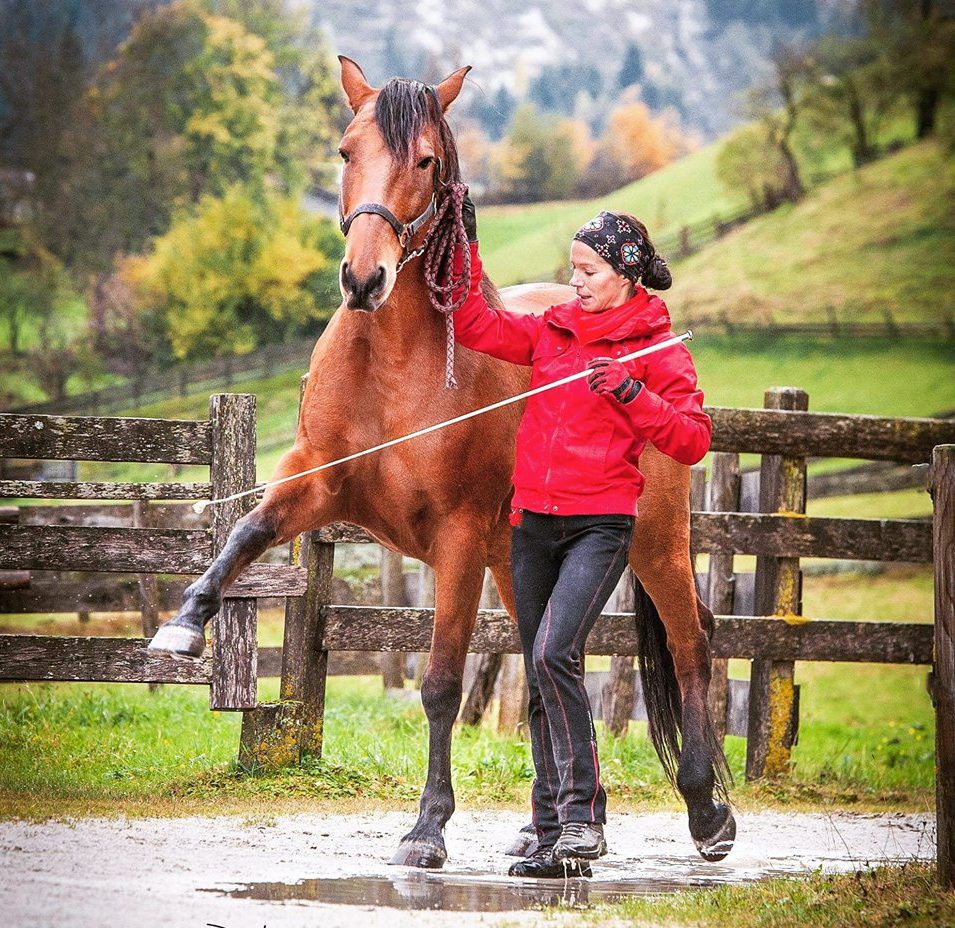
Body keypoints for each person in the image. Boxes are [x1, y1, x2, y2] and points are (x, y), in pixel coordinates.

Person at [451, 202, 712, 878]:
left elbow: (691, 440)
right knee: (540, 667)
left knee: (553, 653)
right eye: (572, 270)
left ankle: (581, 818)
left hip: (600, 524)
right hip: (531, 524)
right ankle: (551, 835)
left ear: (625, 275)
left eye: (588, 271)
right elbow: (475, 323)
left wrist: (632, 394)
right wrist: (466, 242)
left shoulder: (657, 352)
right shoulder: (551, 332)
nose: (576, 283)